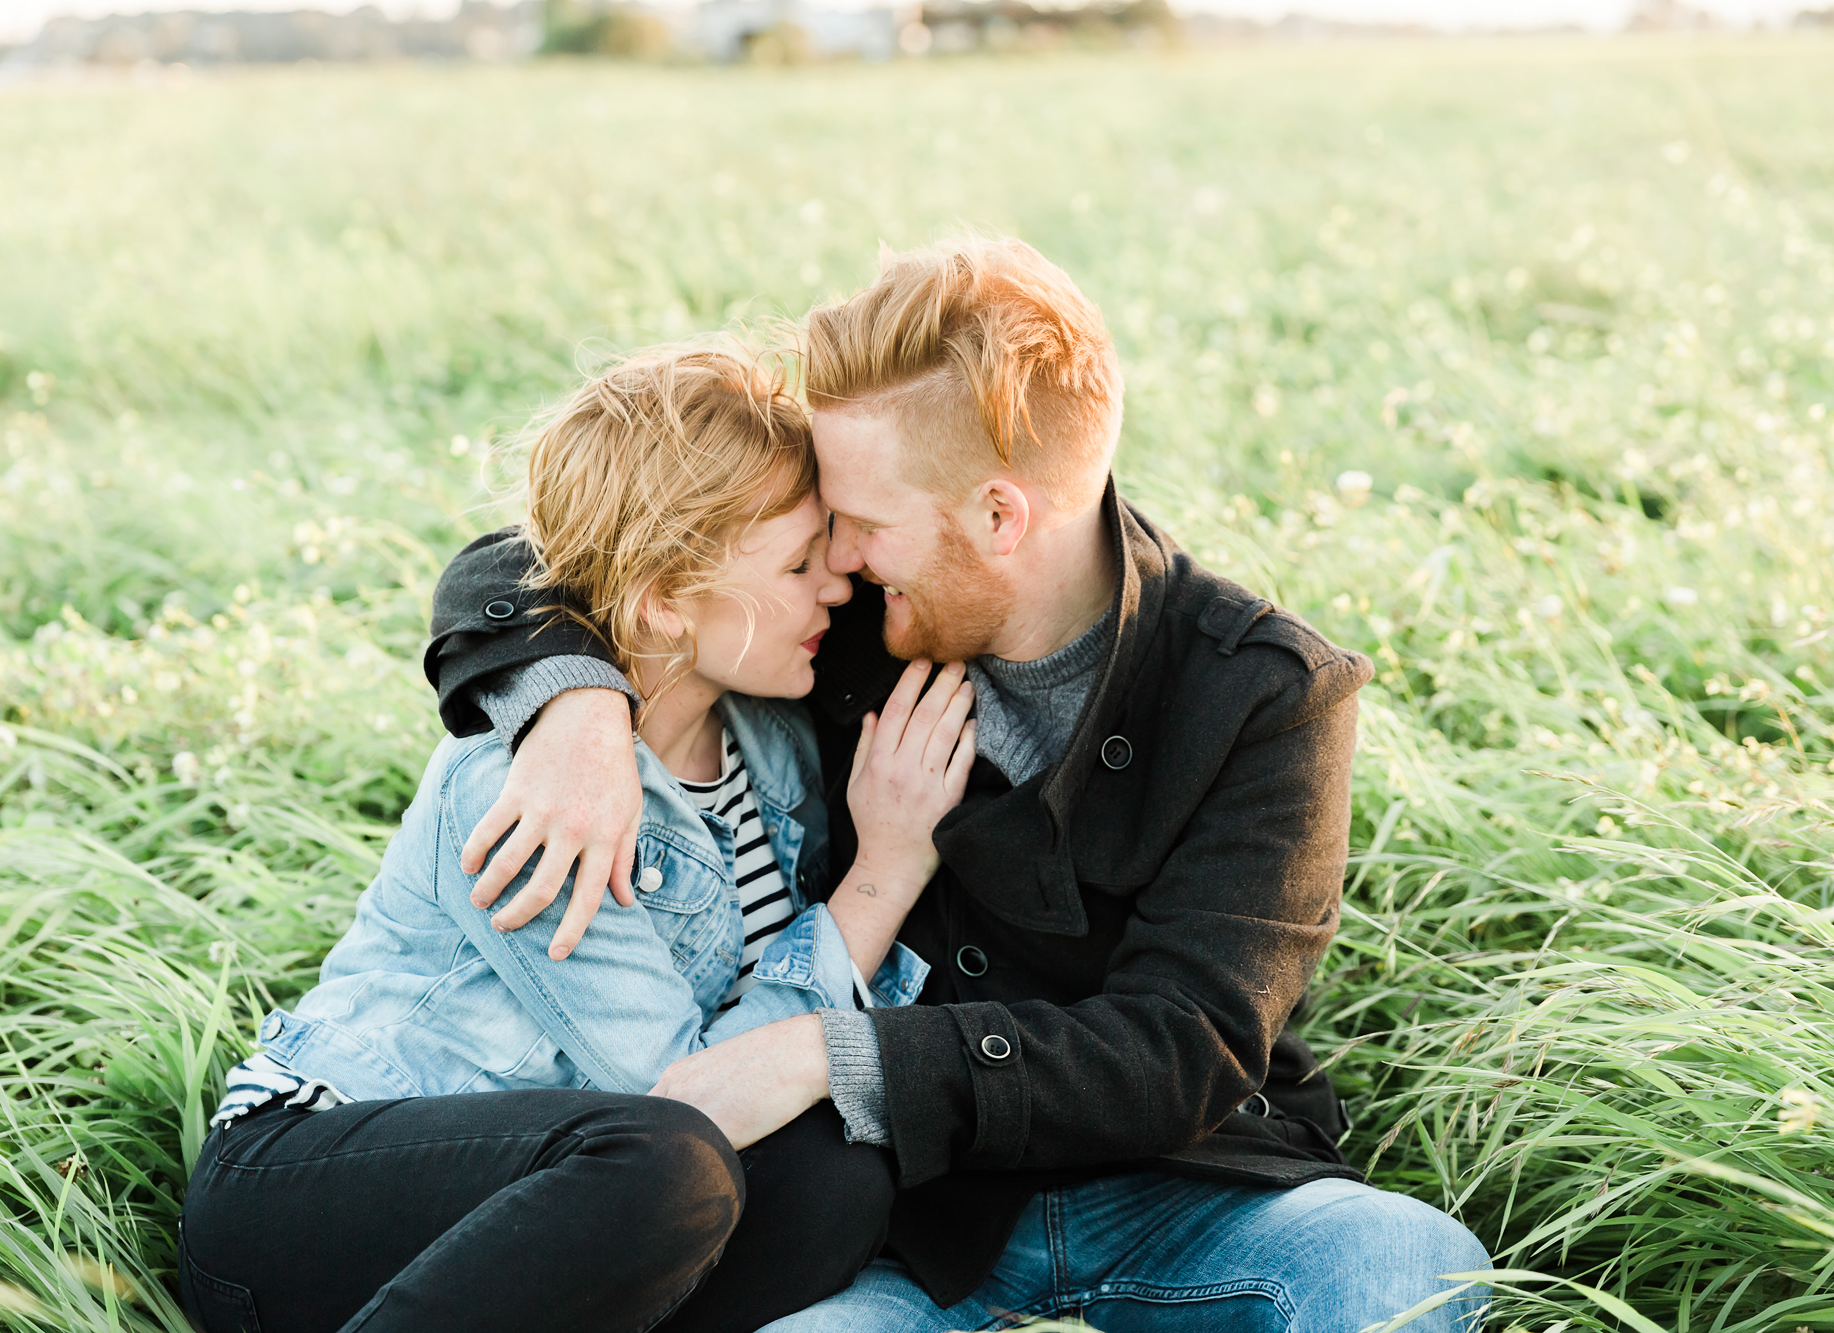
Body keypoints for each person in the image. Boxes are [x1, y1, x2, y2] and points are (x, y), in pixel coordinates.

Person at [422, 239, 1494, 1331]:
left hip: (1197, 1196)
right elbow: (542, 556)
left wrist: (830, 1054)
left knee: (1406, 1260)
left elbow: (1185, 1046)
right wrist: (574, 710)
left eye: (863, 524)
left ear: (998, 517)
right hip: (902, 1229)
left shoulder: (1265, 696)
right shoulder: (824, 618)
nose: (833, 553)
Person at [176, 342, 980, 1333]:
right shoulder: (531, 794)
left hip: (567, 1200)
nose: (837, 584)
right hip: (309, 1192)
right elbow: (686, 1097)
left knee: (833, 1184)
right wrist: (882, 875)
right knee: (671, 1164)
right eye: (797, 563)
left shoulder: (769, 739)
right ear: (661, 601)